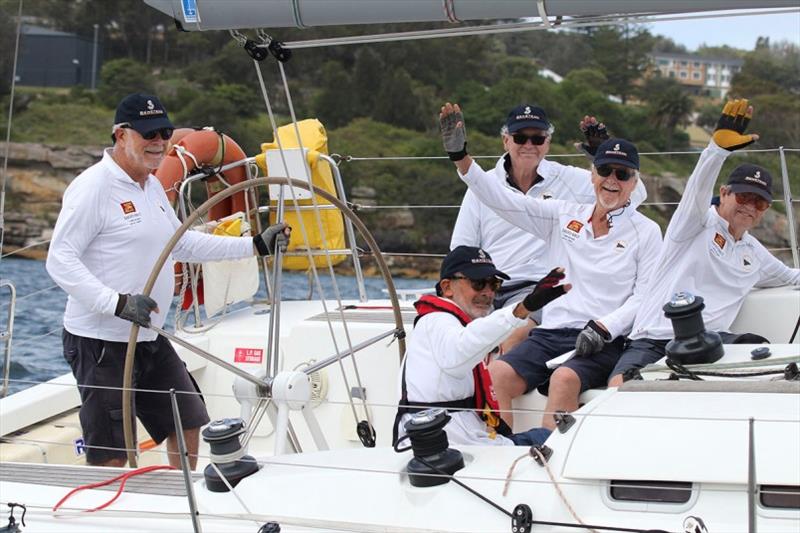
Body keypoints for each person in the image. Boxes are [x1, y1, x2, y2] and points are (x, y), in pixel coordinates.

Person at [46, 93, 291, 469]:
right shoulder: (93, 187)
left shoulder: (151, 186)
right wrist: (117, 303)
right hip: (101, 342)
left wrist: (253, 245)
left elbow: (182, 242)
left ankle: (179, 500)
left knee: (188, 419)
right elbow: (59, 259)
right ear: (121, 135)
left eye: (163, 131)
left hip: (148, 335)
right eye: (148, 133)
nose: (158, 141)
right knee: (112, 449)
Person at [440, 102, 662, 429]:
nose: (612, 180)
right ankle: (500, 450)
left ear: (634, 182)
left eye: (623, 174)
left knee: (563, 379)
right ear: (593, 175)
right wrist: (461, 158)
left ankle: (544, 458)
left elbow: (645, 297)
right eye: (605, 171)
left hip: (601, 338)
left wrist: (604, 327)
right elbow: (503, 200)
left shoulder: (647, 231)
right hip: (550, 333)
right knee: (497, 373)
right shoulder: (563, 214)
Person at [609, 99, 800, 386]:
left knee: (764, 358)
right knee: (620, 386)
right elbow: (696, 191)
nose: (750, 207)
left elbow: (791, 276)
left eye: (760, 202)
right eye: (744, 197)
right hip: (654, 339)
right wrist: (716, 152)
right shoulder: (696, 223)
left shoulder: (755, 253)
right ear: (724, 193)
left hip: (709, 345)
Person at [450, 105, 646, 352]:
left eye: (538, 138)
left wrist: (604, 157)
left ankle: (493, 389)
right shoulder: (484, 185)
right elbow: (461, 247)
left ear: (548, 143)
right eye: (521, 137)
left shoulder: (571, 179)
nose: (529, 144)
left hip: (535, 286)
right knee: (448, 327)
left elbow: (633, 196)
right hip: (487, 283)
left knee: (515, 334)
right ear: (505, 140)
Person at [394, 246, 570, 446]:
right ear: (447, 287)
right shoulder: (437, 321)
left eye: (494, 284)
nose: (488, 292)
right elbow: (460, 350)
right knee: (560, 440)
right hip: (451, 447)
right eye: (478, 283)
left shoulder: (451, 322)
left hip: (466, 441)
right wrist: (522, 309)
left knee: (558, 438)